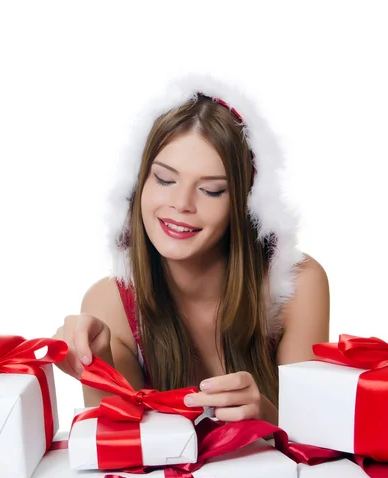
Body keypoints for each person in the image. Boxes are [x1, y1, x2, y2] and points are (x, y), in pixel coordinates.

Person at [53, 74, 329, 425]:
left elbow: (314, 442)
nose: (181, 204)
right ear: (139, 185)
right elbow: (122, 442)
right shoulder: (110, 303)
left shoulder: (299, 286)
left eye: (212, 190)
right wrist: (96, 365)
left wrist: (266, 416)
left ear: (245, 207)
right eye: (165, 180)